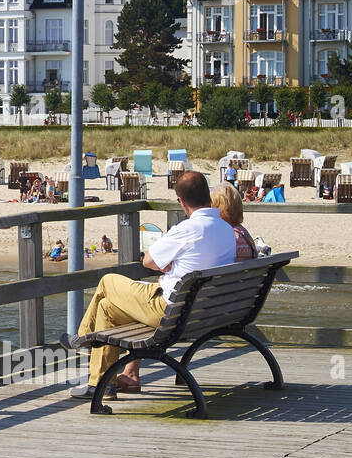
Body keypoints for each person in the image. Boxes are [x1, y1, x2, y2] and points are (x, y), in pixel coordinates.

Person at [61, 171, 236, 401]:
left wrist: (169, 264)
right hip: (202, 312)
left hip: (169, 312)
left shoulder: (188, 228)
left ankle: (83, 338)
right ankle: (101, 385)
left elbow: (149, 261)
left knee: (107, 281)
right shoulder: (226, 230)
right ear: (208, 196)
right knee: (105, 307)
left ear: (181, 202)